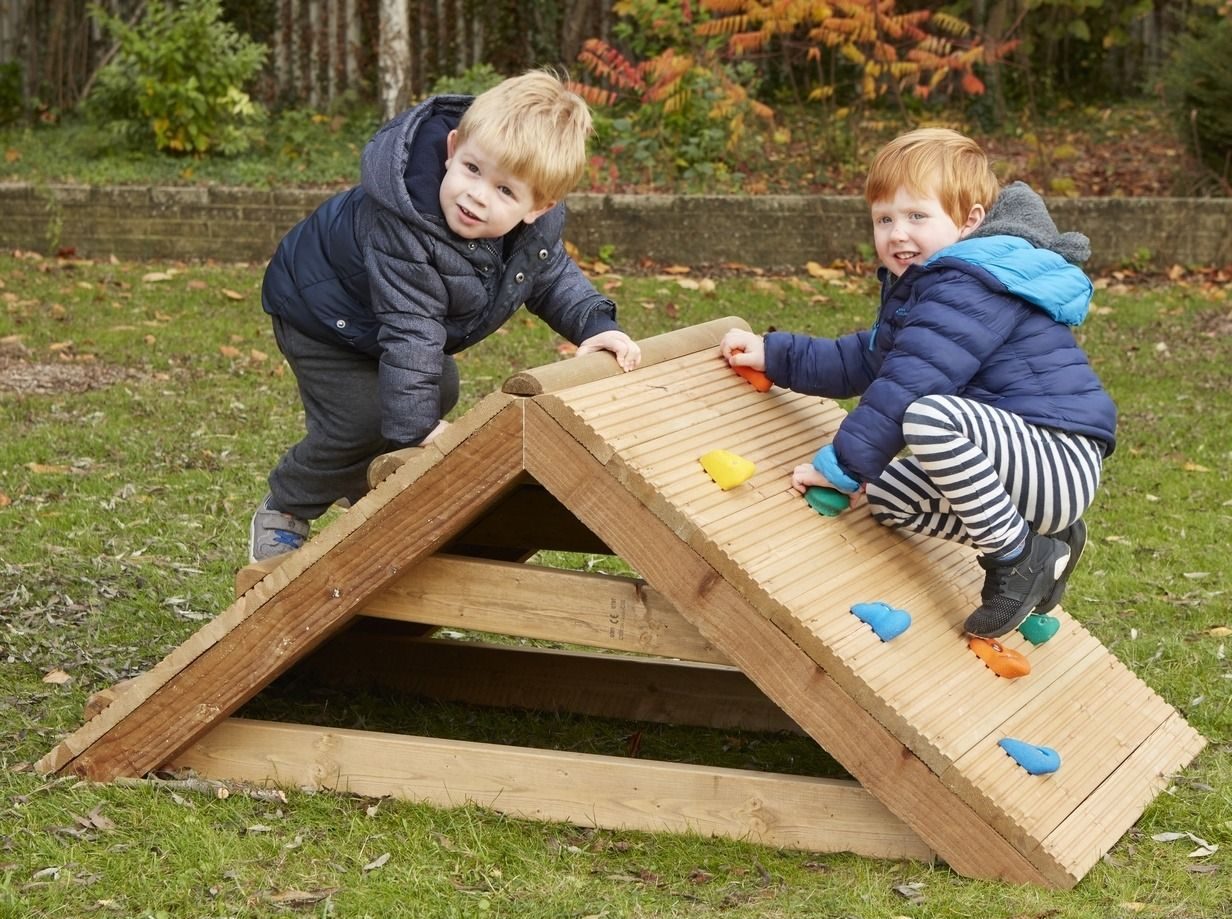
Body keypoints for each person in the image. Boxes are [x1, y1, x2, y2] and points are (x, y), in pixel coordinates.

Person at [721, 128, 1117, 638]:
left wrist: (843, 469)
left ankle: (1017, 557)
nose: (897, 234)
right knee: (885, 497)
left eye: (916, 216)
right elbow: (861, 362)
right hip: (1024, 468)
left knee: (926, 414)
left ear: (968, 221)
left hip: (1056, 453)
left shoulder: (971, 284)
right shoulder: (932, 287)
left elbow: (908, 384)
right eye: (884, 219)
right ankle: (1043, 541)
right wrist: (776, 354)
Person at [251, 70, 641, 562]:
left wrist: (597, 325)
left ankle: (359, 478)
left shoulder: (530, 233)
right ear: (452, 149)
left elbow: (552, 278)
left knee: (438, 387)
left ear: (538, 208)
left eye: (505, 191)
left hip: (377, 319)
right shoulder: (405, 226)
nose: (477, 195)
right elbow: (410, 329)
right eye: (472, 169)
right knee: (362, 418)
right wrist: (421, 432)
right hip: (319, 313)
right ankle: (287, 504)